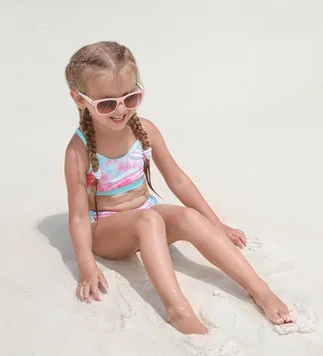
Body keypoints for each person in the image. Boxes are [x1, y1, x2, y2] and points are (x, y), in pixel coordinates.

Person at [63, 41, 292, 335]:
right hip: (108, 234)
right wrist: (86, 265)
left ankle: (260, 289)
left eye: (130, 98)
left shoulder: (144, 129)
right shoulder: (77, 152)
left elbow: (178, 179)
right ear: (79, 99)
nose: (120, 110)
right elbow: (80, 218)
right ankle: (177, 309)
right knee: (148, 220)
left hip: (148, 218)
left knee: (187, 217)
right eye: (107, 104)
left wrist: (216, 224)